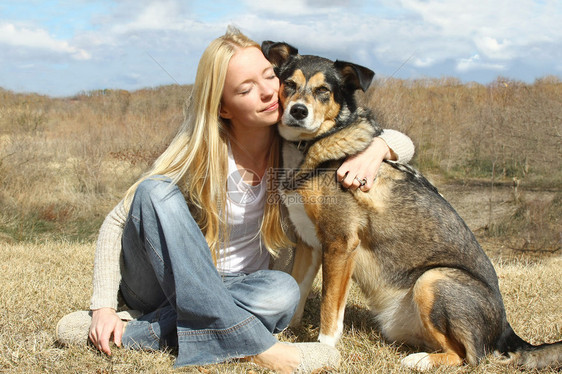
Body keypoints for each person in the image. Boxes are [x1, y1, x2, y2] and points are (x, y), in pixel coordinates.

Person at [56, 26, 415, 373]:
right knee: (155, 191)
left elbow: (397, 140)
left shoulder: (292, 147)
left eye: (269, 77)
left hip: (241, 286)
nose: (267, 92)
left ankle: (145, 330)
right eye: (246, 88)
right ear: (224, 107)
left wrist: (379, 149)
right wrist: (103, 305)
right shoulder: (200, 150)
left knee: (282, 292)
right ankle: (259, 348)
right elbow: (118, 221)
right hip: (165, 281)